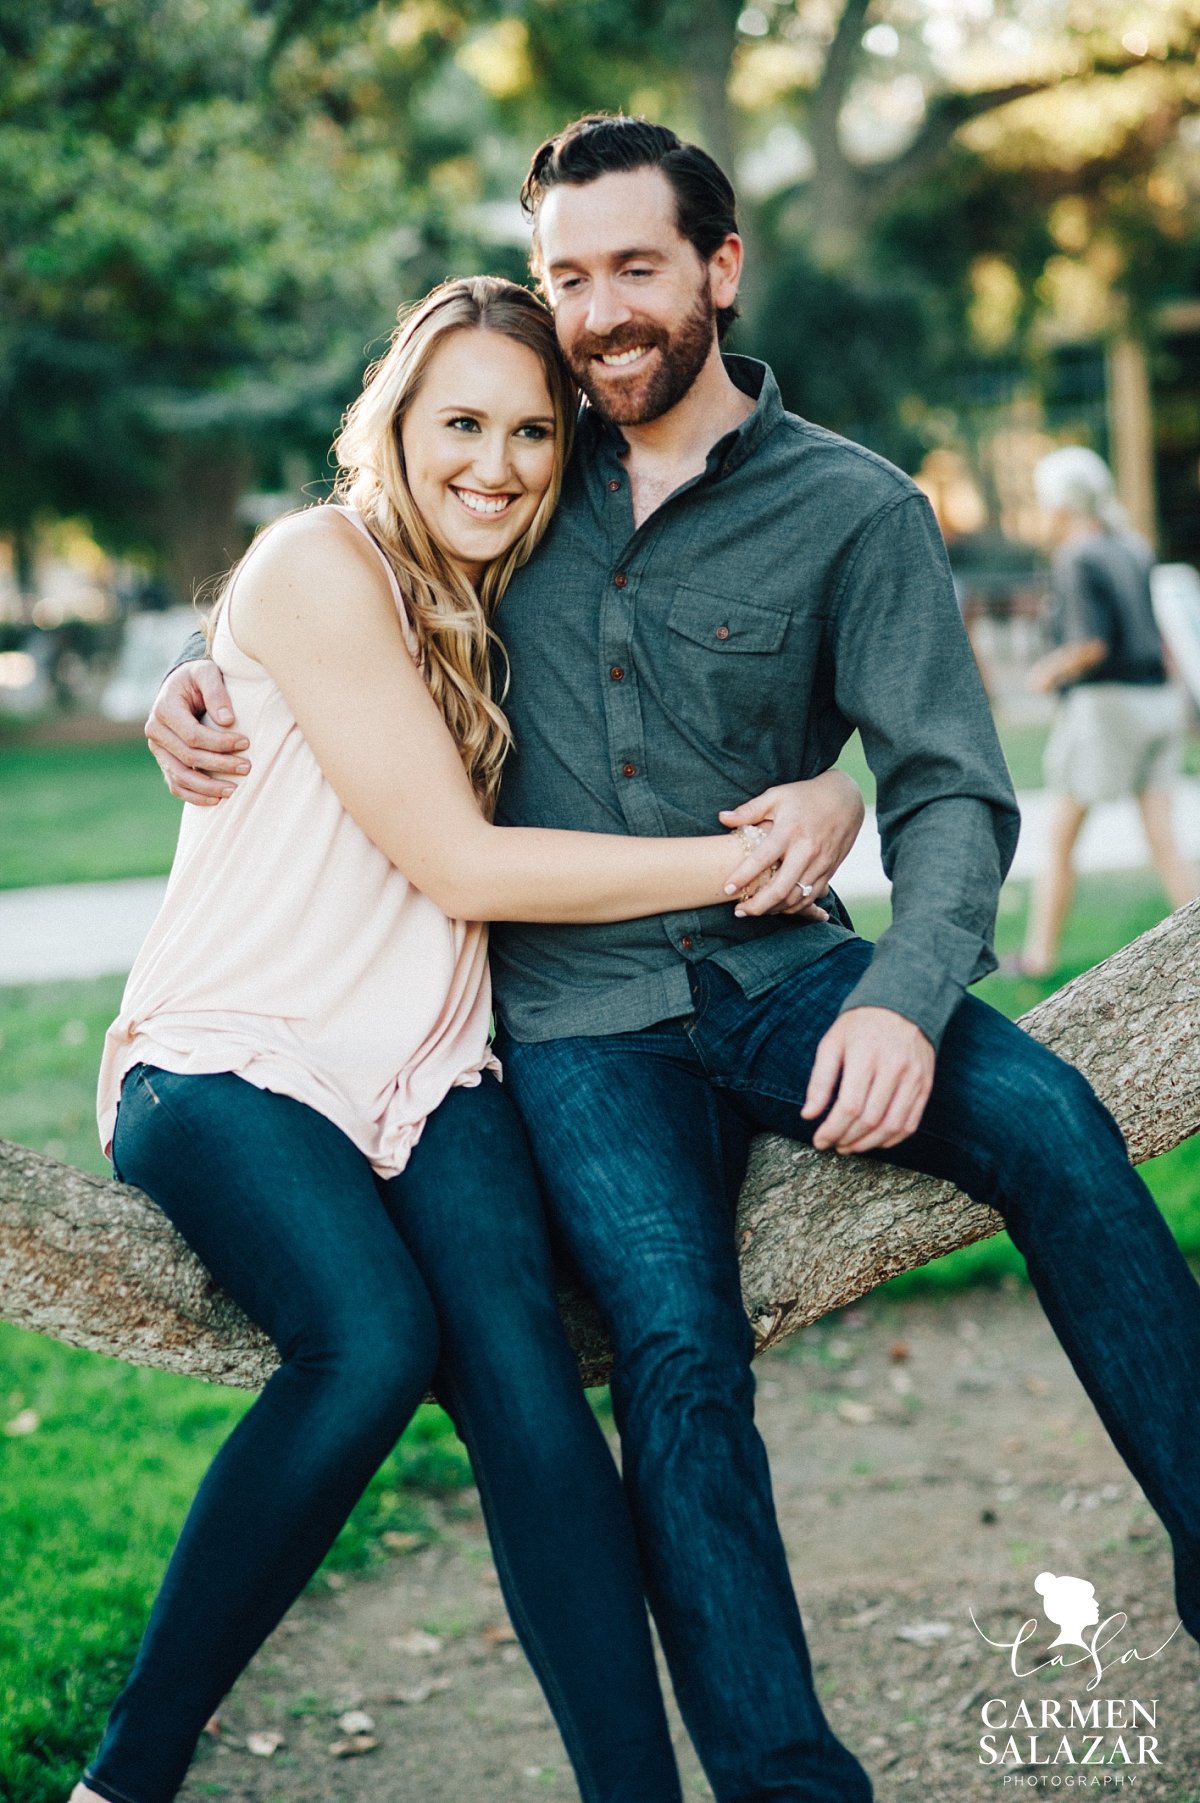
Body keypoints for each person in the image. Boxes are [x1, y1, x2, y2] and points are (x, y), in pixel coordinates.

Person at [148, 117, 1200, 1803]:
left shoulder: (856, 508)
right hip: (575, 1023)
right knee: (677, 1355)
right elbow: (338, 566)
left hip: (789, 977)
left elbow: (949, 788)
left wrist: (905, 995)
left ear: (719, 268)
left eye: (635, 268)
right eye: (567, 274)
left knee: (1062, 1129)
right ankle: (786, 1779)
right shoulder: (510, 477)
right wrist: (198, 677)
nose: (598, 310)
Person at [82, 274, 865, 1803]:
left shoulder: (517, 601)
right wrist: (759, 861)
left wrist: (830, 789)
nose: (495, 464)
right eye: (461, 423)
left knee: (523, 1375)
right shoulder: (317, 556)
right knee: (374, 1336)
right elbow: (465, 866)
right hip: (231, 1054)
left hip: (432, 1068)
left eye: (528, 433)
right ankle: (128, 1772)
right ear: (394, 421)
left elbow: (744, 681)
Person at [1011, 444, 1199, 976]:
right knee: (1165, 839)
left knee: (1061, 838)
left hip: (1106, 709)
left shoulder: (1077, 555)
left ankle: (1038, 958)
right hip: (1158, 701)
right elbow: (1157, 632)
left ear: (1062, 502)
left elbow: (1091, 644)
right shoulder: (1134, 546)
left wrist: (1045, 673)